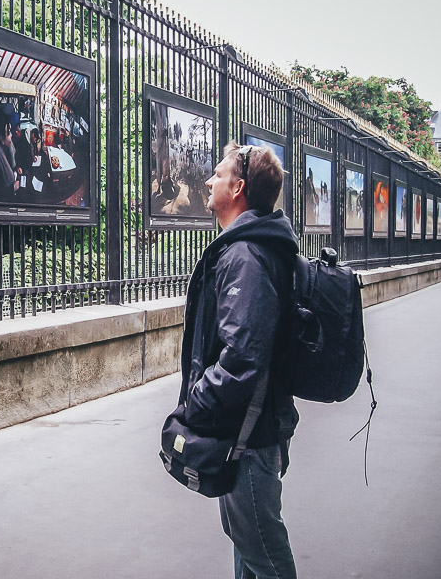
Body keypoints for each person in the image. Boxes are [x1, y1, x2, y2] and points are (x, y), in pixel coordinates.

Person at [181, 141, 299, 579]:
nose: (209, 181)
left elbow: (242, 358)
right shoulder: (252, 245)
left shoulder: (244, 256)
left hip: (248, 436)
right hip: (252, 428)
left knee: (265, 554)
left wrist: (198, 400)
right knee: (248, 545)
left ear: (239, 188)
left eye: (218, 174)